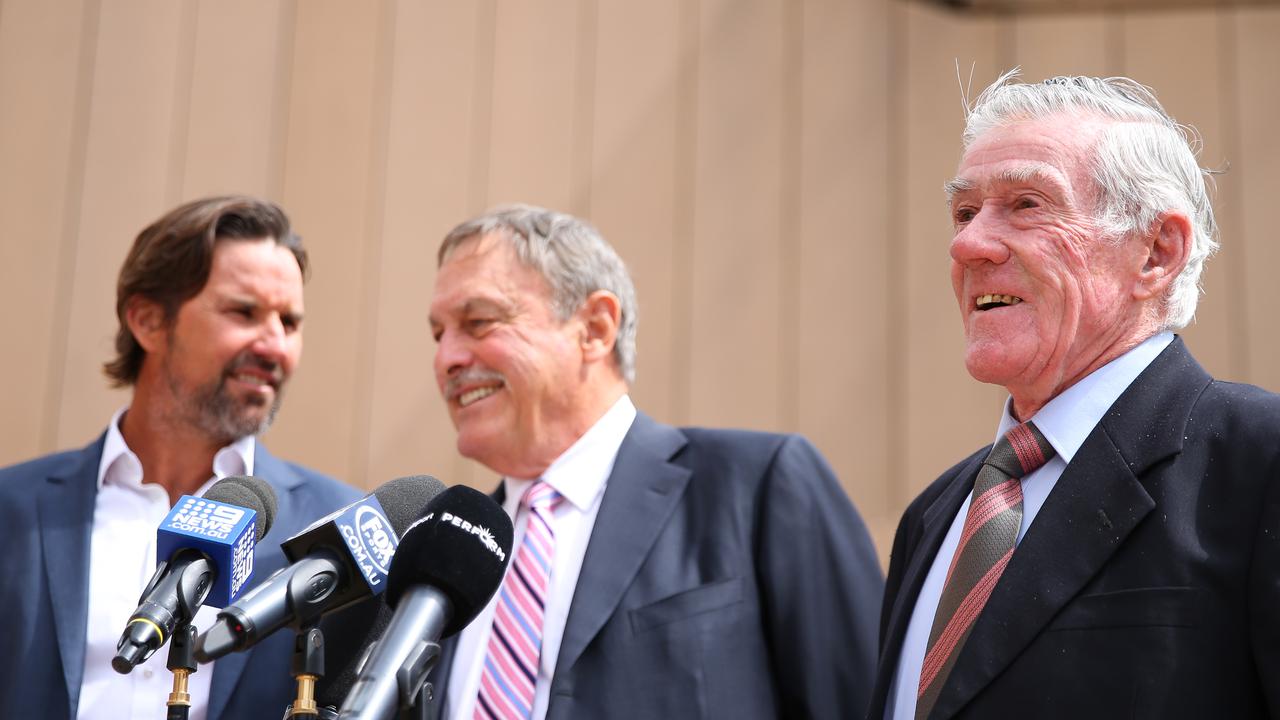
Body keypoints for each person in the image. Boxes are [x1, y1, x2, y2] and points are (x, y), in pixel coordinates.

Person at [869, 73, 1280, 720]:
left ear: (1157, 251)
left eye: (1027, 204)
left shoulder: (1257, 462)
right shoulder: (937, 512)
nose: (967, 244)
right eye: (964, 211)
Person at [422, 205, 883, 719]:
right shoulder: (445, 560)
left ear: (595, 328)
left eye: (478, 322)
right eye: (439, 334)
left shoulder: (757, 486)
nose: (447, 359)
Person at [0, 196, 360, 720]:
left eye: (290, 322)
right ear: (148, 320)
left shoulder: (338, 531)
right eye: (244, 312)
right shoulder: (13, 509)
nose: (275, 344)